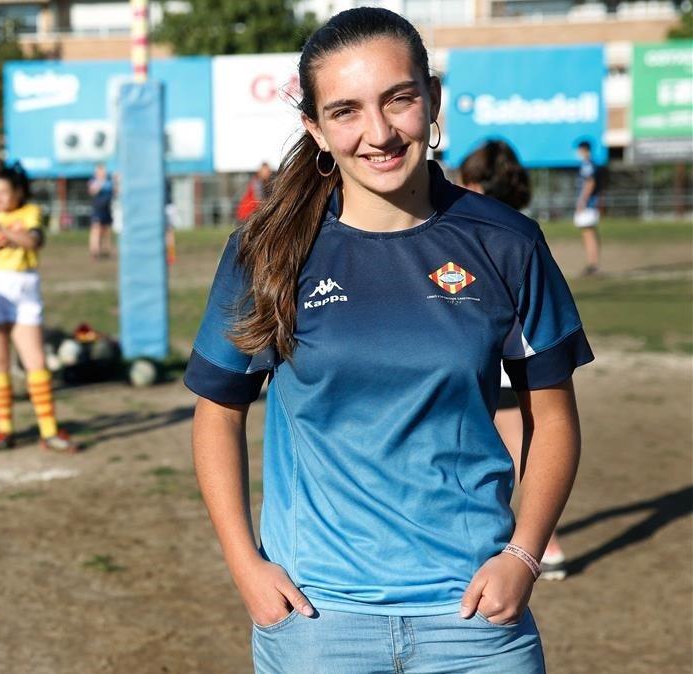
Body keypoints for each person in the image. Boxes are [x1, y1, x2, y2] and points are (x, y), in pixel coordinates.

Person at [185, 9, 592, 672]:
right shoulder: (267, 252)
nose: (378, 133)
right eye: (346, 111)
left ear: (431, 99)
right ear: (315, 128)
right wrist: (245, 566)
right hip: (316, 621)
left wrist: (523, 554)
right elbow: (217, 412)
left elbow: (553, 416)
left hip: (476, 621)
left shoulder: (507, 243)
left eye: (399, 99)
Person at [460, 139, 569, 581]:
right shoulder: (522, 227)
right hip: (512, 351)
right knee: (524, 441)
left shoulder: (485, 231)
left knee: (518, 444)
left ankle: (542, 543)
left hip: (500, 354)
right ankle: (543, 542)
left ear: (475, 185)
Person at [0, 163, 77, 452]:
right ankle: (4, 430)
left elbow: (34, 242)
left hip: (23, 290)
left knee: (35, 361)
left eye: (3, 191)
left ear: (18, 191)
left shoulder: (30, 213)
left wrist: (0, 229)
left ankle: (48, 430)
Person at [574, 140, 603, 276]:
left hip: (589, 205)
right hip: (590, 205)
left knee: (589, 234)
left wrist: (582, 200)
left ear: (583, 150)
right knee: (588, 234)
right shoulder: (589, 163)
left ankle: (593, 264)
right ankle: (592, 264)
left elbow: (590, 182)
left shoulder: (587, 164)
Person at [87, 163, 115, 260]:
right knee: (96, 230)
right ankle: (94, 252)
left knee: (107, 230)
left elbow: (115, 192)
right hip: (97, 209)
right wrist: (100, 183)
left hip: (107, 208)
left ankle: (107, 250)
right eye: (100, 170)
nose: (103, 172)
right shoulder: (94, 180)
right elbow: (92, 191)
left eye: (103, 170)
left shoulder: (109, 180)